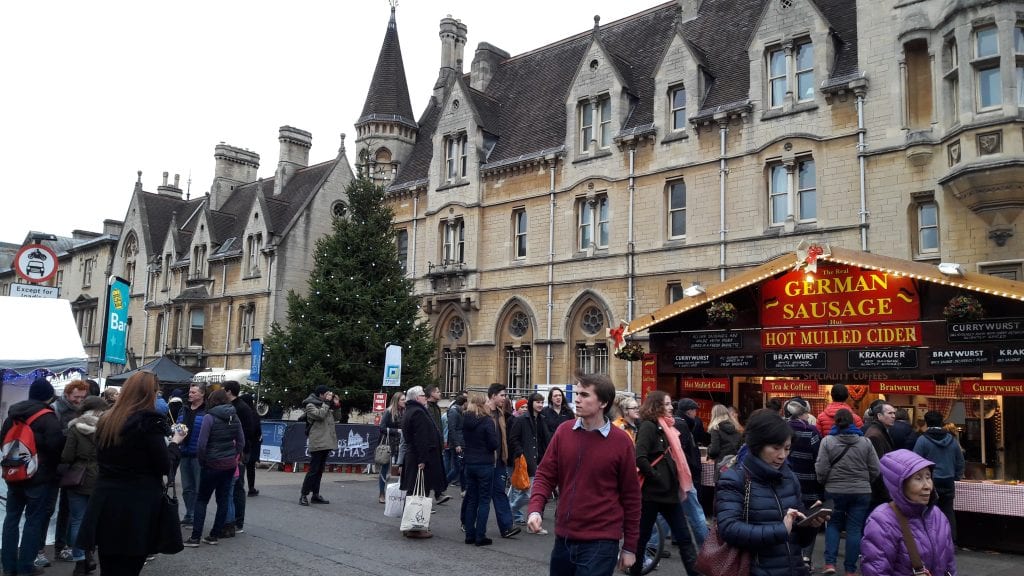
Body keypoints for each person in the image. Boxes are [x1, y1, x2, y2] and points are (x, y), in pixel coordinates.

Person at [528, 373, 641, 576]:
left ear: (603, 402)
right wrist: (535, 509)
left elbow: (631, 497)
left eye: (585, 395)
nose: (577, 399)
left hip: (601, 542)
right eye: (577, 393)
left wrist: (630, 546)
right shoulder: (564, 432)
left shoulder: (621, 442)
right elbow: (545, 475)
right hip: (564, 538)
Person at [76, 371, 181, 576]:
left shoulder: (107, 419)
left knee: (109, 566)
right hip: (136, 504)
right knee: (129, 567)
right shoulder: (148, 423)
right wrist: (175, 444)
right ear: (148, 393)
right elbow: (162, 466)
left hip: (106, 499)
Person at [717, 409, 825, 576]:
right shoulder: (734, 479)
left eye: (787, 448)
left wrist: (809, 524)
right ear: (757, 445)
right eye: (775, 448)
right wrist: (780, 530)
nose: (782, 455)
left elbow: (799, 540)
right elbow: (729, 529)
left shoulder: (789, 477)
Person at [630, 391, 699, 576]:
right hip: (652, 494)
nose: (671, 407)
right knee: (642, 538)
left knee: (684, 538)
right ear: (656, 405)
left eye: (670, 404)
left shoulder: (668, 427)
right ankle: (635, 570)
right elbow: (640, 457)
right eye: (667, 404)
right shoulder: (648, 426)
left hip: (669, 493)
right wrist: (656, 476)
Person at [860, 450, 957, 576]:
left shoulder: (937, 516)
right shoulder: (882, 521)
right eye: (918, 478)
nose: (927, 486)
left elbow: (950, 565)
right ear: (900, 485)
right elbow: (876, 572)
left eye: (928, 477)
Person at [1, 377, 62, 576]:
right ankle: (26, 565)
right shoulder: (48, 417)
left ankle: (8, 566)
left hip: (14, 473)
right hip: (38, 476)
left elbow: (3, 441)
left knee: (11, 519)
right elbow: (56, 447)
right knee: (33, 521)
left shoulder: (12, 415)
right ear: (47, 397)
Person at [815, 408, 879, 576]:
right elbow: (875, 468)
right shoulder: (865, 442)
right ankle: (850, 570)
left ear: (836, 422)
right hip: (861, 491)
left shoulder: (827, 441)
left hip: (834, 490)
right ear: (853, 422)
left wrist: (824, 482)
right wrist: (866, 481)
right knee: (855, 529)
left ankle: (830, 563)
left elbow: (821, 468)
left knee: (833, 525)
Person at [184, 389, 244, 547]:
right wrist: (233, 455)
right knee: (223, 499)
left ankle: (195, 537)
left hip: (211, 463)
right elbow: (241, 441)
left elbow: (202, 444)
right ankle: (214, 535)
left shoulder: (209, 417)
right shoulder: (234, 416)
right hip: (229, 464)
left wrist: (203, 460)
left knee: (202, 499)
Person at [61, 396, 108, 575]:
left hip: (78, 476)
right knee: (96, 519)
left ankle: (80, 560)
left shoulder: (75, 427)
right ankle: (90, 555)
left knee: (77, 519)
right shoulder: (107, 427)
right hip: (101, 476)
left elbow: (66, 455)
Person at [46, 379, 89, 565]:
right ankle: (41, 550)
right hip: (56, 464)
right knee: (48, 509)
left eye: (82, 397)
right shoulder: (56, 409)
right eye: (76, 396)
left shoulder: (80, 409)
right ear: (67, 394)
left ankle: (61, 547)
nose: (79, 400)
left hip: (70, 468)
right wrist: (72, 430)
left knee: (67, 510)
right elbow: (53, 437)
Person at [399, 385, 448, 539]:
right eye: (422, 395)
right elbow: (421, 438)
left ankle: (411, 524)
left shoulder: (411, 410)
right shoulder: (418, 412)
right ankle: (416, 526)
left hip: (415, 457)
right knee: (420, 492)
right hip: (420, 458)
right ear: (415, 398)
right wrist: (422, 459)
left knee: (414, 491)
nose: (424, 397)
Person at [912, 410, 965, 543]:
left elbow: (915, 461)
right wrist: (956, 476)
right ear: (941, 422)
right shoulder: (952, 440)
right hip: (948, 480)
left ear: (926, 422)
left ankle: (932, 542)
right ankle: (951, 542)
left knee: (928, 511)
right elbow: (960, 461)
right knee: (948, 512)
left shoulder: (922, 440)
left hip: (929, 481)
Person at [785, 398, 822, 572]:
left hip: (785, 481)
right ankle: (805, 557)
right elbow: (818, 459)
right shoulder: (812, 431)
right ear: (805, 413)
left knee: (788, 517)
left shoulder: (781, 430)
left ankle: (789, 555)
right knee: (809, 520)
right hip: (808, 482)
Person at [508, 392, 549, 532]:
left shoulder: (542, 419)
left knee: (530, 493)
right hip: (526, 461)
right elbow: (513, 439)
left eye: (542, 402)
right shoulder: (521, 420)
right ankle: (511, 510)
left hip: (539, 460)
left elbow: (545, 440)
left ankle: (531, 524)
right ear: (532, 403)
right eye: (538, 402)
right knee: (529, 493)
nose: (540, 405)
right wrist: (521, 453)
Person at [461, 393, 498, 546]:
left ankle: (470, 533)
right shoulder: (487, 421)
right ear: (483, 404)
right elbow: (493, 444)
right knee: (484, 501)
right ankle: (480, 536)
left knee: (471, 500)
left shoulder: (466, 419)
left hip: (469, 463)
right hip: (484, 463)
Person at [485, 383, 520, 538]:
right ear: (493, 396)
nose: (505, 398)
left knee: (499, 492)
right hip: (484, 461)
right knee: (478, 494)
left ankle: (507, 527)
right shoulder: (482, 413)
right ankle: (467, 522)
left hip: (499, 460)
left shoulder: (501, 414)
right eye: (503, 395)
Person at [222, 381, 256, 535]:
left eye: (223, 390)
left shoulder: (242, 408)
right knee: (230, 486)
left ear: (229, 391)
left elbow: (249, 431)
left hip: (240, 452)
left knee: (237, 486)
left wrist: (239, 448)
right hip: (230, 451)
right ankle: (229, 519)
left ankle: (238, 521)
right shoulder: (231, 406)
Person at [299, 385, 342, 506]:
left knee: (319, 471)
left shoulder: (326, 405)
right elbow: (320, 415)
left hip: (326, 441)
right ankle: (303, 494)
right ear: (321, 395)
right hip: (317, 441)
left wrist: (337, 405)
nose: (329, 396)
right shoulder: (310, 405)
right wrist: (328, 403)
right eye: (327, 394)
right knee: (313, 470)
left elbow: (337, 418)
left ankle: (315, 495)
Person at [175, 384, 206, 526]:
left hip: (198, 455)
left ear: (202, 394)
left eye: (194, 392)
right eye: (190, 392)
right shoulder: (184, 409)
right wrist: (176, 431)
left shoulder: (206, 412)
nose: (190, 394)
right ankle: (189, 513)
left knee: (199, 487)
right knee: (187, 488)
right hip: (184, 452)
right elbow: (178, 425)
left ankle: (197, 515)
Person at [865, 401, 896, 508]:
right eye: (890, 413)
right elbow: (877, 467)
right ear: (879, 416)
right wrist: (886, 494)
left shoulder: (880, 431)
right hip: (878, 493)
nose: (893, 416)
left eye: (894, 413)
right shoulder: (875, 435)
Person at [378, 391, 406, 503]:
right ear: (397, 401)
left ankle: (401, 493)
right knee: (385, 469)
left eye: (405, 399)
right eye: (402, 400)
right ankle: (381, 493)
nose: (405, 401)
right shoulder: (389, 412)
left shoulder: (405, 412)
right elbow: (382, 427)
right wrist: (397, 431)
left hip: (401, 443)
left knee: (403, 468)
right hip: (388, 443)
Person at [707, 403, 742, 479]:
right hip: (735, 464)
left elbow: (714, 450)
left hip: (721, 464)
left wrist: (709, 450)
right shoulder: (736, 427)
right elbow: (740, 447)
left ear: (714, 415)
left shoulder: (716, 428)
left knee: (721, 487)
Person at [239, 393, 262, 496]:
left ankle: (239, 486)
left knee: (241, 465)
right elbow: (258, 430)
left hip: (244, 442)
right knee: (251, 467)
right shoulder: (254, 414)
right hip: (253, 443)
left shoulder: (241, 413)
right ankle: (251, 487)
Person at [445, 391, 467, 490]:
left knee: (462, 467)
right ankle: (443, 485)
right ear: (464, 403)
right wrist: (457, 444)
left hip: (460, 442)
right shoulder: (454, 412)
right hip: (457, 444)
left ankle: (464, 489)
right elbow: (452, 429)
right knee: (457, 468)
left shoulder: (459, 412)